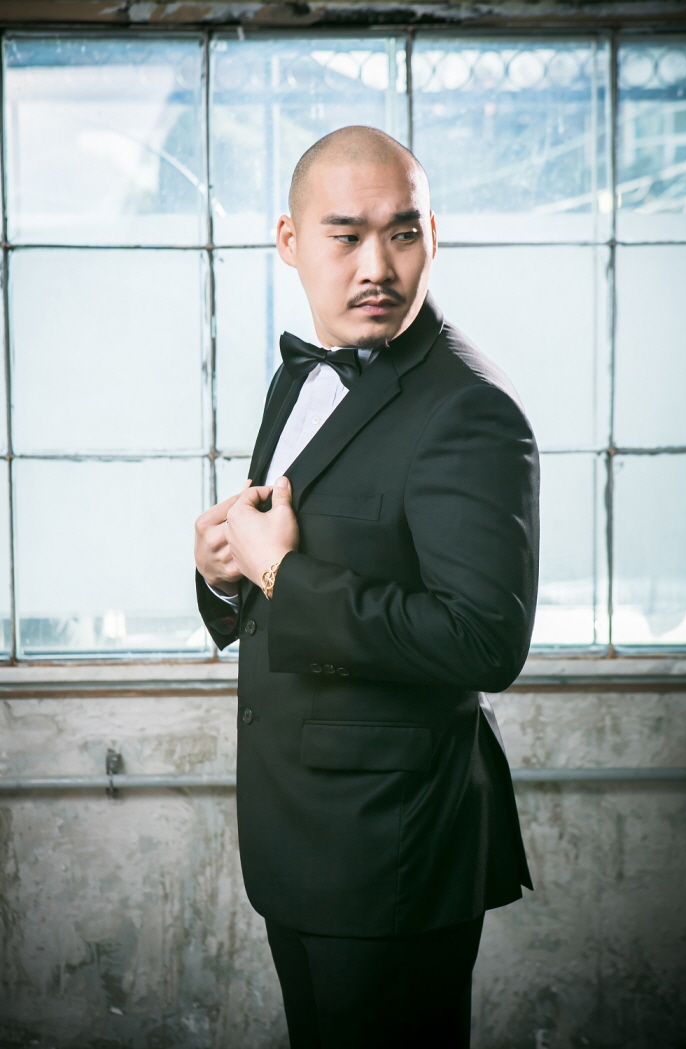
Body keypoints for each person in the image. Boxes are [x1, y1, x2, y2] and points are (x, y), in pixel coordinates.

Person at [194, 125, 539, 1049]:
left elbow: (484, 641)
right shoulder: (300, 377)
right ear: (289, 240)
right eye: (345, 236)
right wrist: (225, 572)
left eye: (403, 233)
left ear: (434, 235)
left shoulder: (470, 407)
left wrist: (278, 569)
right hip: (301, 838)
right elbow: (286, 554)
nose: (377, 266)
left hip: (393, 851)